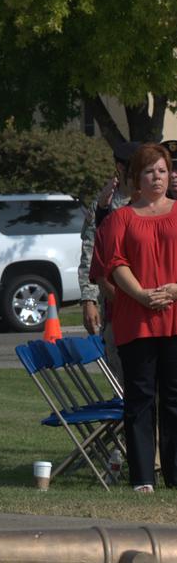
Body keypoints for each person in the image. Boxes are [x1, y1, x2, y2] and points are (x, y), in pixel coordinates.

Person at [92, 143, 177, 492]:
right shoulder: (120, 219)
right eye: (148, 172)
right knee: (140, 398)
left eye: (161, 170)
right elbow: (112, 264)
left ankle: (174, 475)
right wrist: (141, 294)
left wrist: (174, 289)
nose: (156, 178)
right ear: (135, 178)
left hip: (175, 315)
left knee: (173, 398)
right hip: (136, 319)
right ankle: (143, 476)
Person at [77, 140, 140, 381]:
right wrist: (88, 298)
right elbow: (91, 253)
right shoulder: (105, 204)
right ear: (120, 168)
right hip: (115, 306)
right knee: (124, 380)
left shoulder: (155, 201)